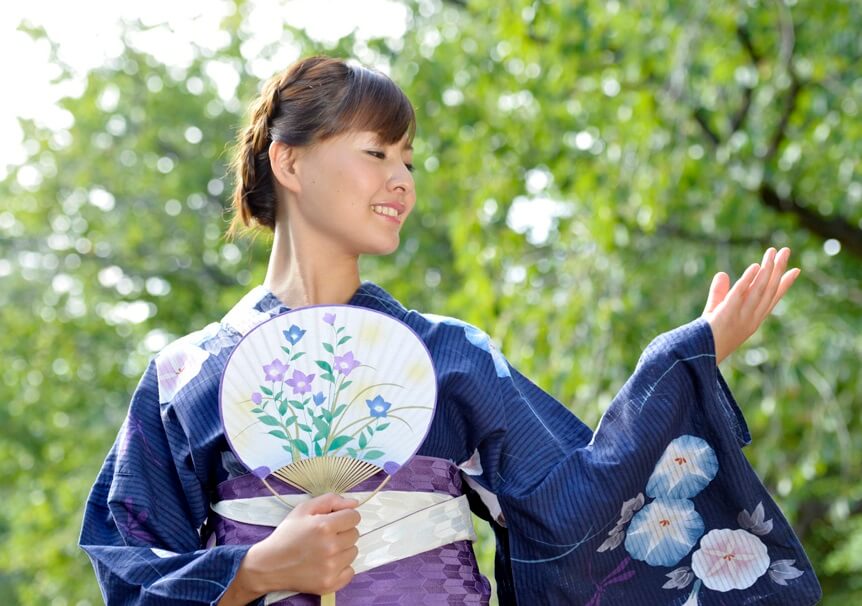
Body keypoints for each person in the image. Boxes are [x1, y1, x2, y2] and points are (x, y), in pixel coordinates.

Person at [80, 56, 822, 605]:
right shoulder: (185, 376)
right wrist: (260, 570)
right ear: (289, 161)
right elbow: (128, 563)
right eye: (376, 153)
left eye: (408, 159)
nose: (402, 181)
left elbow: (576, 505)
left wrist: (683, 360)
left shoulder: (448, 355)